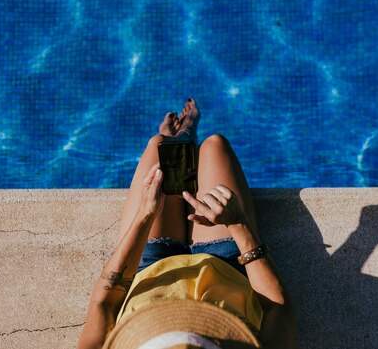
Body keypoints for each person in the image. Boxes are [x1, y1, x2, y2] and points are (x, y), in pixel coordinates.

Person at [76, 99, 296, 349]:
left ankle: (180, 136)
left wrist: (145, 216)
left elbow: (103, 303)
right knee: (214, 146)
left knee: (158, 145)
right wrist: (238, 224)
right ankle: (185, 135)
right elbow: (279, 307)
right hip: (228, 264)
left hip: (149, 266)